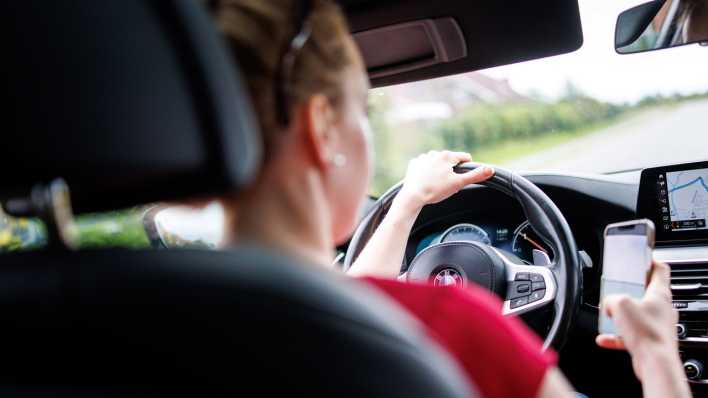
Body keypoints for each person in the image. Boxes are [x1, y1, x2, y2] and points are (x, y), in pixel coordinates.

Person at [207, 1, 691, 397]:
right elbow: (355, 307)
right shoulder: (450, 322)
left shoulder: (147, 321)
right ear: (324, 127)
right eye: (363, 112)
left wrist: (407, 204)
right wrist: (658, 353)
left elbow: (352, 297)